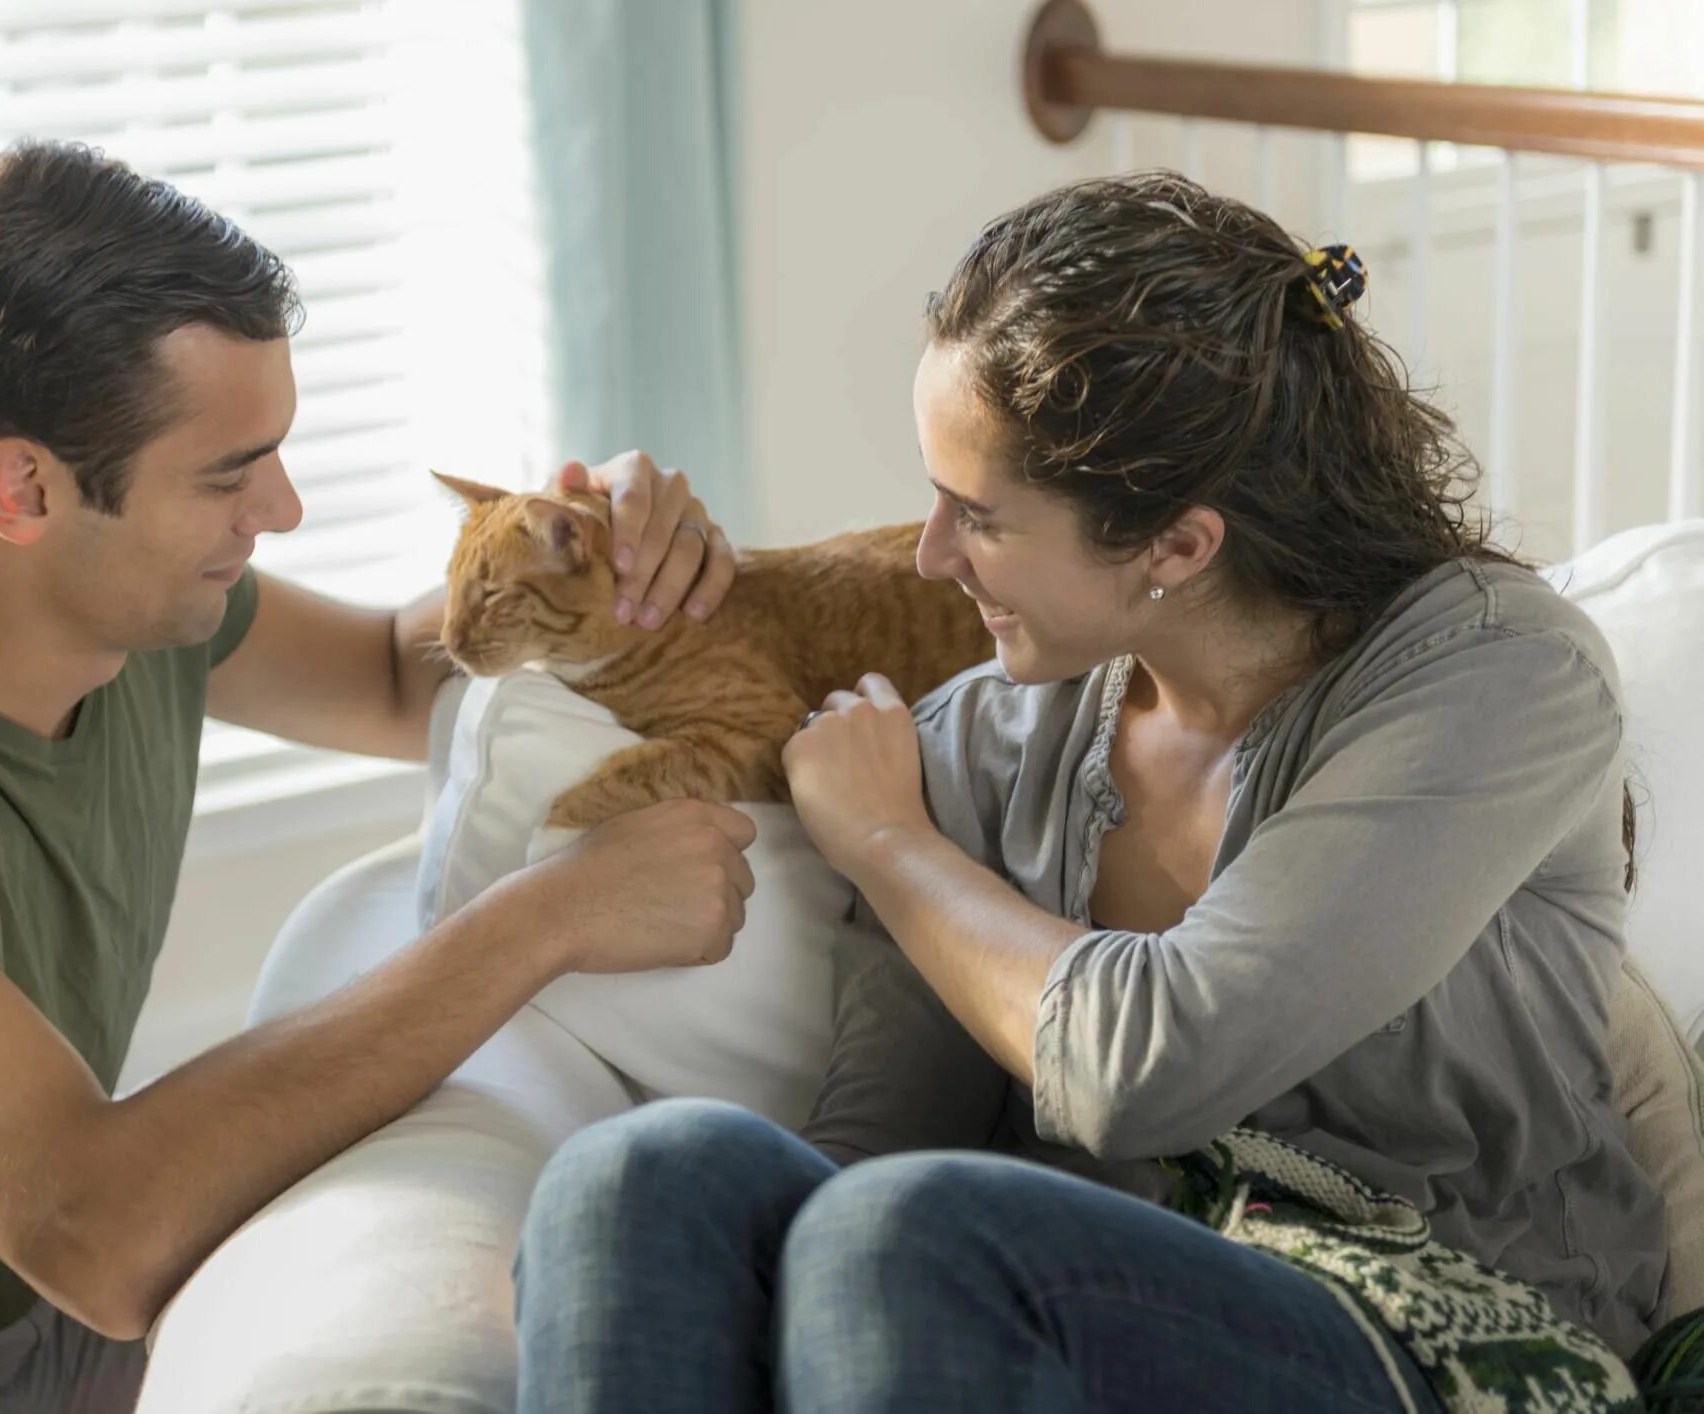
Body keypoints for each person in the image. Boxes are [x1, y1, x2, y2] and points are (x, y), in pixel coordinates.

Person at [0, 139, 759, 1412]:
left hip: (32, 1317)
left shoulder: (116, 595)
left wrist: (607, 556)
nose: (286, 508)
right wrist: (553, 913)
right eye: (229, 474)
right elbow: (99, 1229)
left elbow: (391, 674)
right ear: (23, 488)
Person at [512, 172, 1668, 1413]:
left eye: (979, 517)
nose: (930, 556)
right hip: (1041, 1319)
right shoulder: (972, 745)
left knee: (915, 1228)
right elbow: (867, 1160)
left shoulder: (1498, 680)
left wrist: (892, 845)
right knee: (643, 1173)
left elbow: (1151, 1065)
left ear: (1177, 544)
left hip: (1448, 1336)